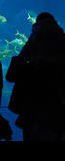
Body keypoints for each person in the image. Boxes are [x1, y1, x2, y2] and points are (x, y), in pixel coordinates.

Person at [6, 12, 65, 141]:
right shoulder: (61, 46)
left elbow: (11, 76)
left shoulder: (32, 49)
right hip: (59, 111)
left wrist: (27, 49)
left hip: (32, 111)